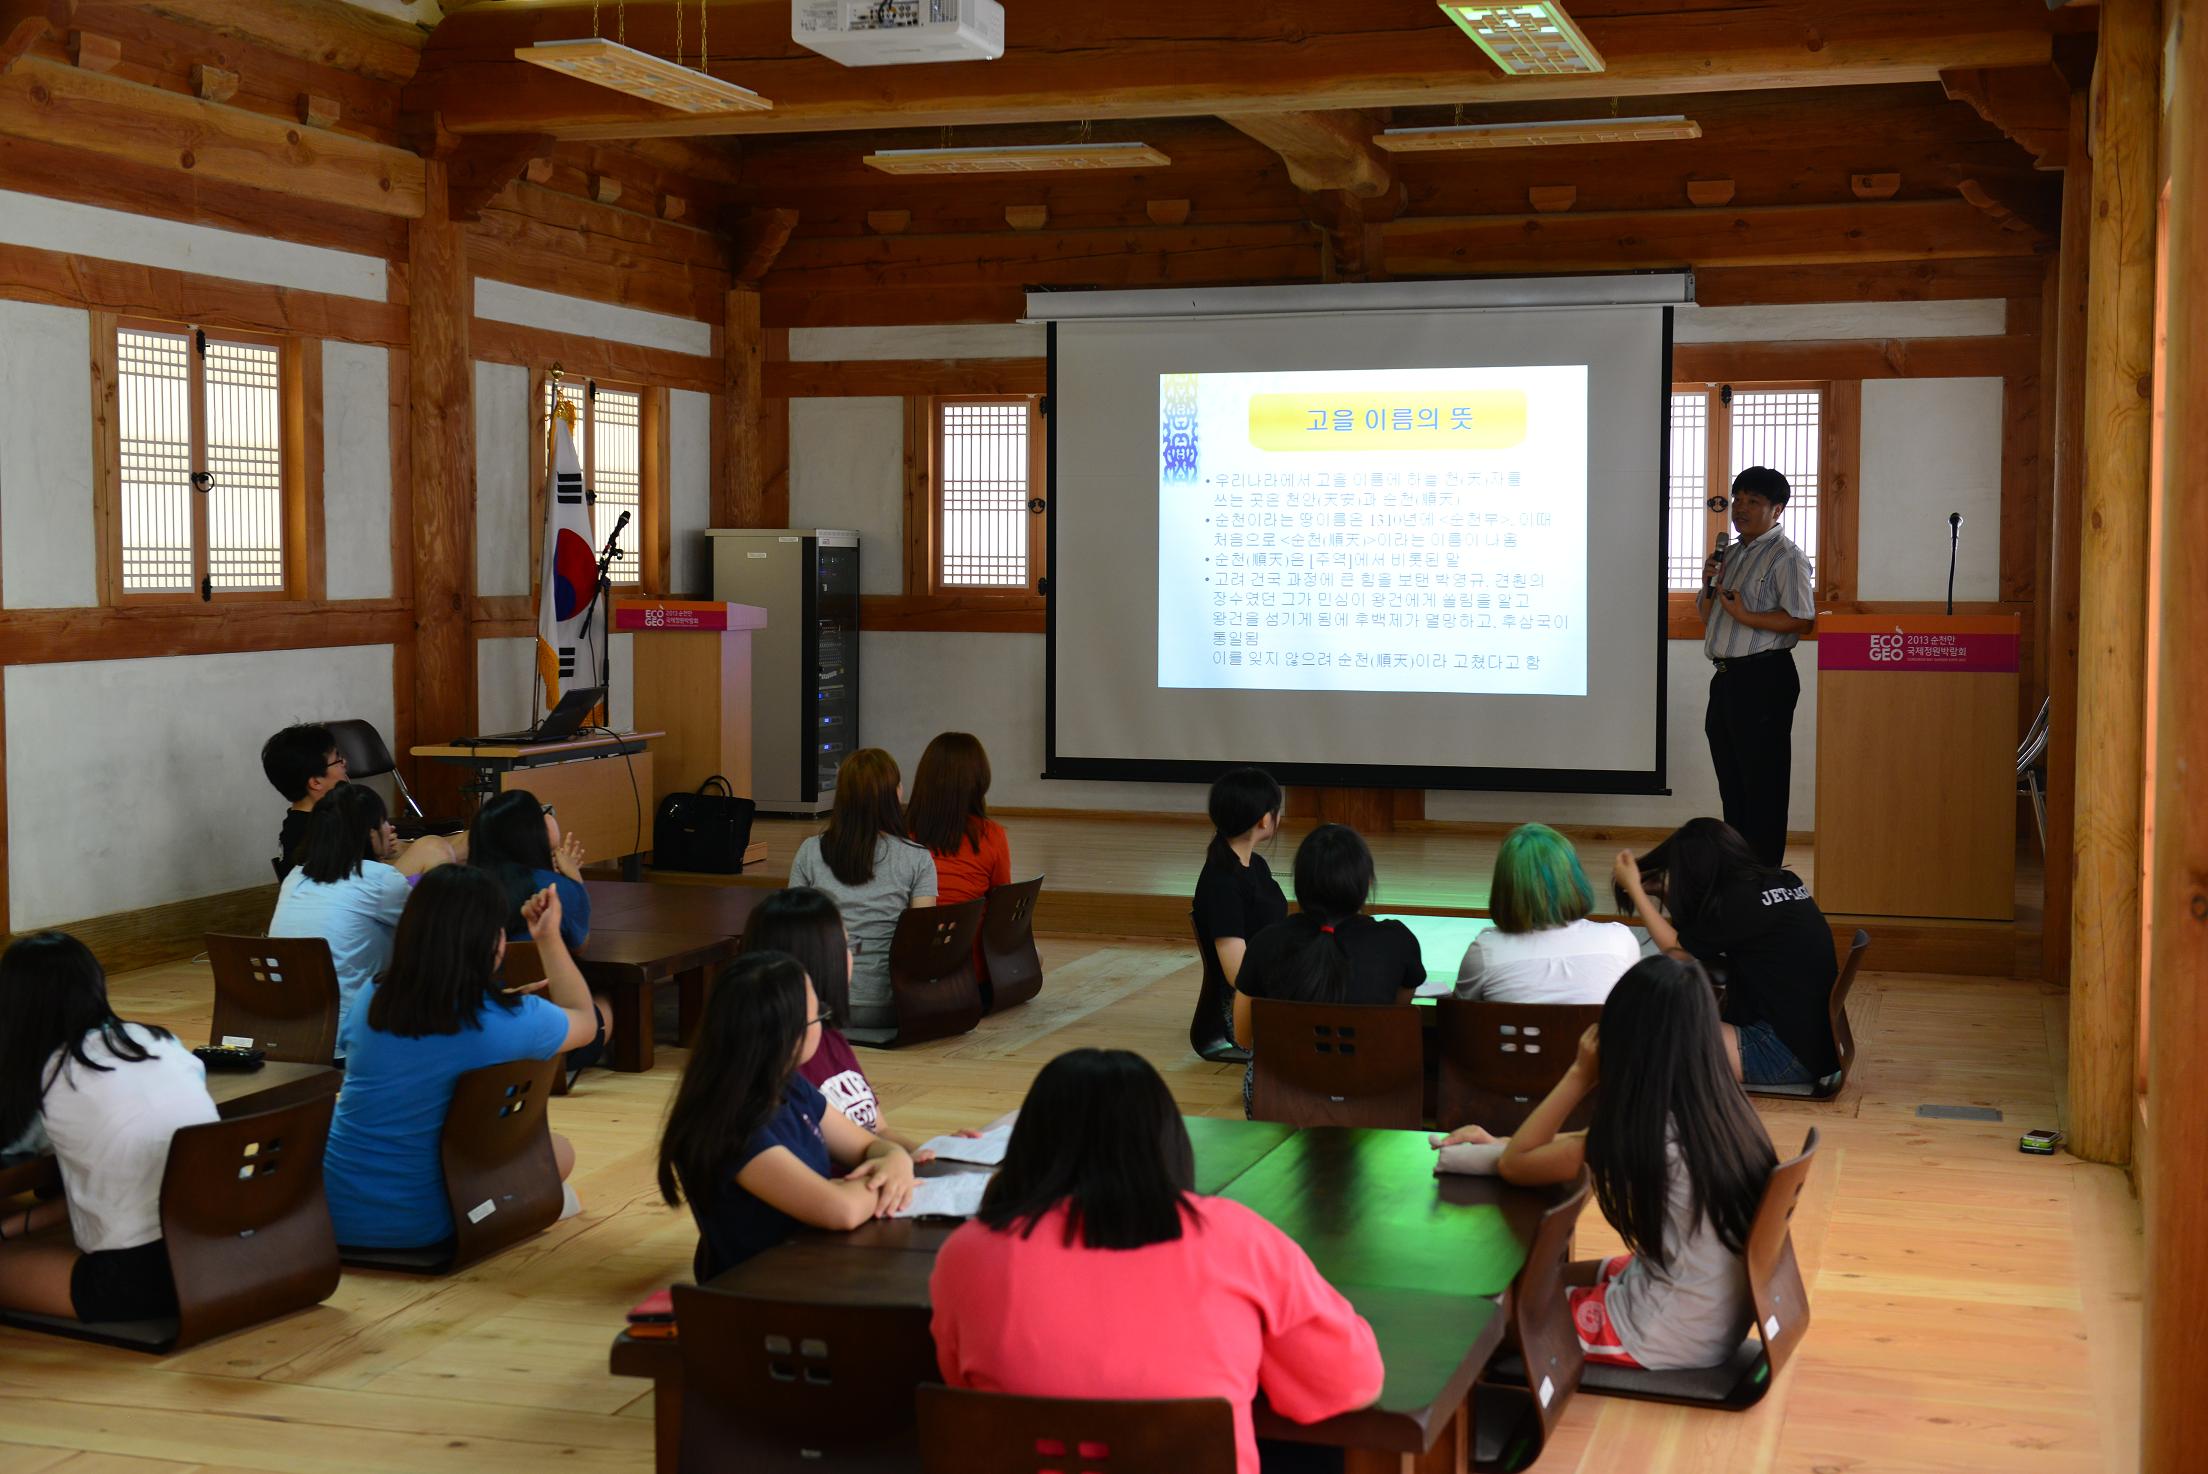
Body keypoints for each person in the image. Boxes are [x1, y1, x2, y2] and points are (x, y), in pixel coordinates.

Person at [930, 1049, 1385, 1474]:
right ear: (1168, 1140)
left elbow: (963, 1385)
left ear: (1030, 1143)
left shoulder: (966, 1255)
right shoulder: (1238, 1237)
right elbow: (1353, 1383)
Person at [1437, 955, 1776, 1372]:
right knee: (1532, 1285)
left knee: (1474, 1320)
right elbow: (1556, 1147)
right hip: (1707, 1309)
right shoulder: (1719, 1112)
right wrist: (1503, 1142)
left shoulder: (1642, 1135)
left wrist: (1580, 1073)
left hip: (1662, 1330)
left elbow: (1516, 1165)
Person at [321, 867, 596, 1250]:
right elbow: (586, 1020)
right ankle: (530, 1208)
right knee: (559, 1150)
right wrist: (548, 938)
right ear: (493, 942)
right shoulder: (513, 1019)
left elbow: (437, 1033)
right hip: (431, 1223)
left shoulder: (374, 996)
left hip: (336, 1215)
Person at [0, 932, 219, 1323]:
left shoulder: (47, 1076)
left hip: (142, 1279)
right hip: (218, 1251)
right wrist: (14, 1227)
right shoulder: (160, 1041)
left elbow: (14, 1146)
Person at [657, 951, 917, 1280]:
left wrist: (896, 1161)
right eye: (817, 1016)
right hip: (765, 1294)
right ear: (786, 1034)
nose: (823, 1023)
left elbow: (870, 1145)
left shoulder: (787, 1084)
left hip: (814, 1263)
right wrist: (891, 1181)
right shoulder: (730, 1125)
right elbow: (843, 1210)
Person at [1612, 818, 1839, 1090]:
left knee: (1643, 1033)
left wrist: (1636, 890)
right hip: (1813, 1045)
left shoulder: (1739, 902)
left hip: (1778, 1052)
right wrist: (1663, 894)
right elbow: (1700, 940)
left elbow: (1678, 951)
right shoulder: (1778, 881)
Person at [1233, 824, 1422, 1117]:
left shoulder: (1265, 943)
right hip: (1374, 1103)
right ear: (1367, 883)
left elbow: (1244, 1036)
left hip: (1282, 1104)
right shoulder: (1397, 941)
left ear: (1299, 885)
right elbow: (1395, 1017)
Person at [1695, 466, 1816, 866]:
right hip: (1727, 678)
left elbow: (1801, 619)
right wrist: (1707, 584)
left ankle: (1763, 875)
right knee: (1732, 782)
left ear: (1777, 509)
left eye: (1753, 502)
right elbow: (1709, 616)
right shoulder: (1730, 554)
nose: (1741, 509)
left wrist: (1747, 616)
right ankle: (1739, 870)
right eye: (1738, 500)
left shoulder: (1788, 557)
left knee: (1762, 784)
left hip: (1765, 678)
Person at [736, 887, 917, 1149]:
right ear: (820, 962)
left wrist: (941, 1156)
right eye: (847, 946)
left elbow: (880, 1132)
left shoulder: (829, 1038)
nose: (852, 957)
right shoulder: (780, 1065)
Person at [788, 749, 937, 1040]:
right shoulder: (917, 859)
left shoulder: (809, 851)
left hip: (820, 1005)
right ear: (895, 794)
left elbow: (793, 930)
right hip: (891, 1007)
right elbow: (922, 940)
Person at [468, 789, 611, 1071]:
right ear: (532, 832)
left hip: (480, 1030)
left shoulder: (467, 886)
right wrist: (574, 880)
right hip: (552, 1032)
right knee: (606, 998)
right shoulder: (555, 888)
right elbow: (581, 944)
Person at [267, 781, 412, 1056]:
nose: (390, 829)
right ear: (369, 835)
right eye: (383, 822)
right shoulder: (380, 879)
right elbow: (429, 931)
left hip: (289, 1034)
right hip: (348, 1037)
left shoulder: (295, 876)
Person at [1454, 823, 1639, 1005]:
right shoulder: (1619, 940)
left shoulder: (1486, 952)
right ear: (1574, 877)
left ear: (1505, 886)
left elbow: (1459, 1018)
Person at [261, 723, 457, 880]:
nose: (345, 764)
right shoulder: (312, 831)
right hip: (357, 906)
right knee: (433, 850)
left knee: (463, 841)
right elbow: (352, 882)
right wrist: (379, 852)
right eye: (338, 760)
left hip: (366, 884)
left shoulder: (322, 816)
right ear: (315, 782)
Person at [1190, 766, 1285, 1064]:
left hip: (1269, 986)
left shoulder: (1254, 865)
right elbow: (1238, 973)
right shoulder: (1222, 882)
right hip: (1241, 1012)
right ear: (1265, 818)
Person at [904, 731, 1012, 908]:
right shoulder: (991, 835)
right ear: (979, 780)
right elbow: (1003, 904)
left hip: (916, 934)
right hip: (969, 934)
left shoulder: (902, 835)